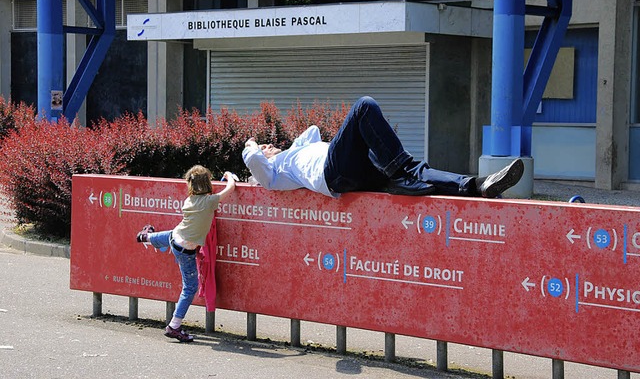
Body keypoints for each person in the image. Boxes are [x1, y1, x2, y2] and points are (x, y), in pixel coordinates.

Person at [243, 96, 524, 198]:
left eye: (268, 144)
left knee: (412, 170)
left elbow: (312, 132)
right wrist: (252, 144)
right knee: (364, 106)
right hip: (333, 174)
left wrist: (286, 146)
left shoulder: (293, 153)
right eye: (266, 147)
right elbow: (256, 165)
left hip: (353, 171)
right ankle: (398, 173)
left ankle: (477, 185)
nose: (269, 145)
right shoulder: (274, 173)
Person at [135, 165, 236, 342]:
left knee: (173, 235)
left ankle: (147, 236)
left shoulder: (189, 201)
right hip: (185, 251)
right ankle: (174, 326)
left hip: (177, 238)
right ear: (207, 183)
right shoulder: (210, 202)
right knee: (190, 288)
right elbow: (231, 188)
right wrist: (229, 176)